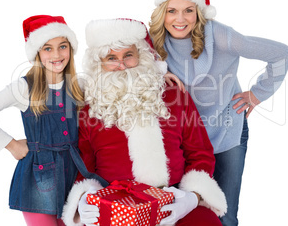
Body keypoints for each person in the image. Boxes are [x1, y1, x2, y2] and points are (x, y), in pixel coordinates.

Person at [149, 0, 288, 226]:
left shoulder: (222, 37)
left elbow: (280, 53)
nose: (179, 19)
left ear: (200, 12)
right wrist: (159, 70)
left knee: (224, 214)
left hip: (225, 132)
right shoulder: (154, 40)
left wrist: (258, 93)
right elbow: (124, 49)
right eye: (172, 10)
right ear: (162, 13)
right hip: (185, 138)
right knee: (181, 213)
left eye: (188, 10)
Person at [62, 18, 227, 226]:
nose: (121, 65)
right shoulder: (88, 108)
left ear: (141, 56)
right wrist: (86, 195)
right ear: (99, 63)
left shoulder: (175, 96)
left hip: (173, 201)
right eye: (112, 57)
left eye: (128, 55)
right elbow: (83, 166)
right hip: (115, 205)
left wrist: (192, 197)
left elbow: (200, 153)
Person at [0, 15, 87, 226]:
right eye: (47, 48)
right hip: (39, 179)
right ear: (37, 53)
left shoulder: (78, 85)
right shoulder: (24, 87)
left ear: (71, 49)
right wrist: (12, 145)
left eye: (62, 46)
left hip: (74, 175)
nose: (57, 54)